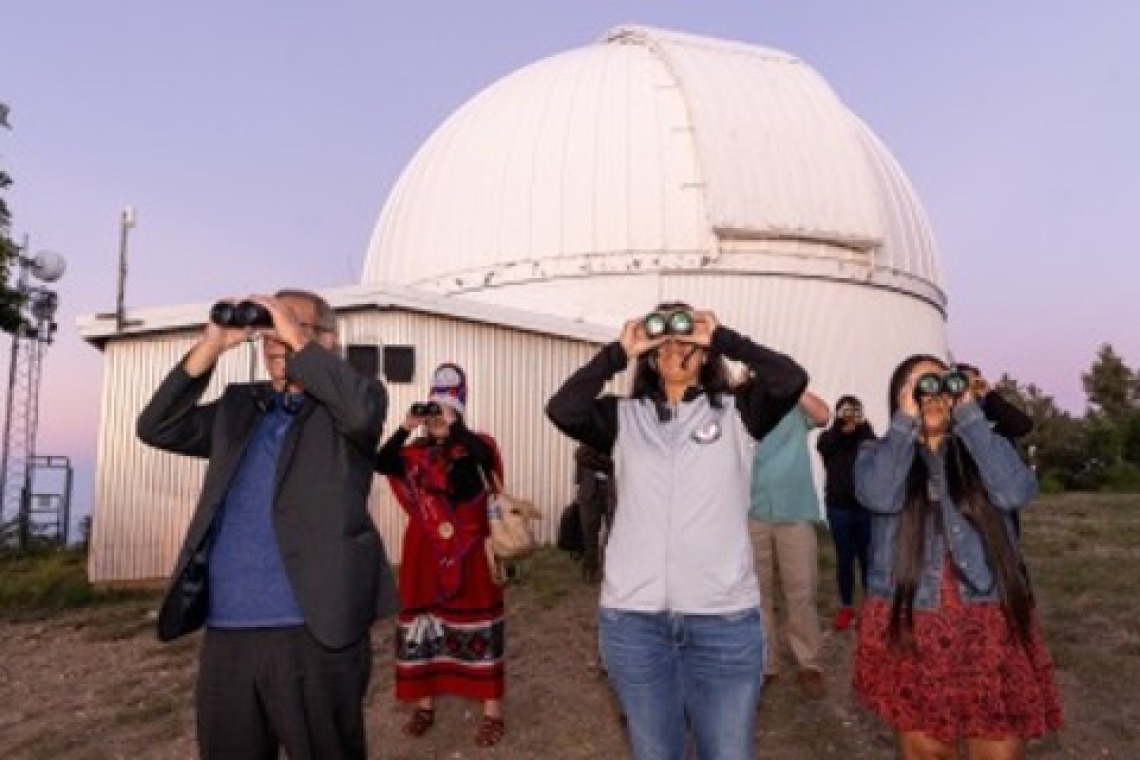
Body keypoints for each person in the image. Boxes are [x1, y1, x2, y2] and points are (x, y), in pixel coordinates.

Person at [136, 289, 397, 760]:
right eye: (269, 328)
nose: (275, 337)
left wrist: (296, 338)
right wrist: (212, 345)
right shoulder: (240, 407)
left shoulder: (353, 403)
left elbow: (361, 414)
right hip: (228, 635)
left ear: (326, 340)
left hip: (314, 630)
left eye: (289, 324)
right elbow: (158, 426)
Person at [546, 302, 808, 760]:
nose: (674, 345)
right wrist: (617, 352)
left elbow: (790, 379)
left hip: (723, 620)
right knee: (654, 752)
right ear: (649, 355)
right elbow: (562, 409)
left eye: (685, 336)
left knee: (727, 752)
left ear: (705, 353)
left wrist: (724, 338)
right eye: (663, 339)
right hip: (635, 622)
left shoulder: (738, 414)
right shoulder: (623, 417)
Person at [852, 354, 1062, 759]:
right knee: (927, 750)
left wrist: (969, 414)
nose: (932, 395)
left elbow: (1016, 492)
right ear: (898, 396)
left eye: (942, 385)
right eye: (919, 386)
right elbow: (879, 495)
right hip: (911, 618)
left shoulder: (984, 449)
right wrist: (904, 424)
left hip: (988, 619)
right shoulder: (877, 452)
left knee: (998, 750)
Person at [373, 363, 508, 748]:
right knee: (423, 625)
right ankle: (425, 705)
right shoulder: (414, 452)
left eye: (444, 409)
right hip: (424, 552)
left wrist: (455, 428)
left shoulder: (475, 445)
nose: (435, 418)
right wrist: (405, 425)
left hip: (469, 551)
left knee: (480, 622)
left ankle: (491, 712)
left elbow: (477, 475)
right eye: (433, 410)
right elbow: (382, 461)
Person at [748, 389, 831, 699]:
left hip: (795, 511)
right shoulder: (746, 406)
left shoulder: (792, 405)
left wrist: (793, 387)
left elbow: (824, 415)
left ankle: (809, 662)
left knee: (802, 590)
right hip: (752, 511)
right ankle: (766, 663)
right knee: (757, 593)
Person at [816, 395, 877, 630]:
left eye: (855, 411)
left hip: (865, 508)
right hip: (839, 507)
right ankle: (846, 606)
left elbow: (875, 447)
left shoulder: (865, 435)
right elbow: (825, 447)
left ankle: (870, 608)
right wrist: (842, 430)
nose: (851, 415)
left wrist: (861, 427)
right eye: (846, 411)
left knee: (867, 559)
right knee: (845, 559)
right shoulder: (829, 437)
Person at [956, 362, 1035, 537]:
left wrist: (989, 394)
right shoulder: (949, 418)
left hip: (1000, 498)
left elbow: (1023, 426)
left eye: (972, 381)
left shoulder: (994, 414)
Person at [574, 442, 617, 583]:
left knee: (613, 531)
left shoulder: (618, 437)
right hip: (589, 489)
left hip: (614, 488)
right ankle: (590, 567)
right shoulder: (589, 436)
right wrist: (579, 487)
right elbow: (580, 455)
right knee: (589, 529)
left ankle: (609, 569)